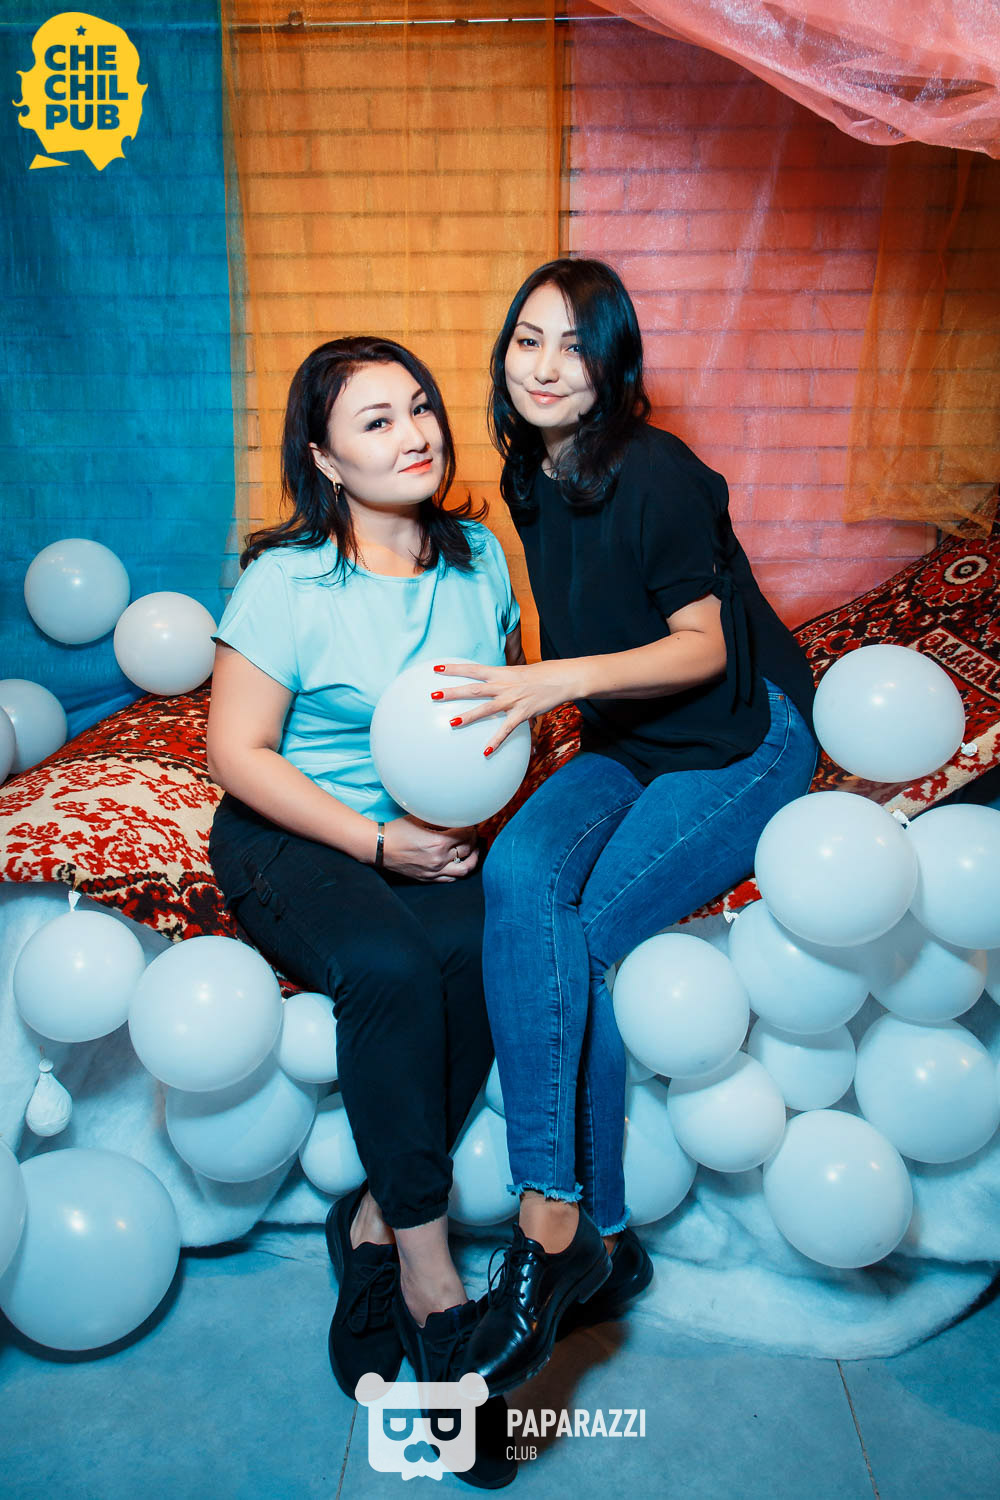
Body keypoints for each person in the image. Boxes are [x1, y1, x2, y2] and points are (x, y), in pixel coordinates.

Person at [429, 259, 818, 1396]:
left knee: (590, 934)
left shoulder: (656, 471)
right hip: (628, 734)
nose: (547, 367)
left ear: (613, 367)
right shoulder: (527, 471)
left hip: (740, 734)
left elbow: (702, 647)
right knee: (518, 876)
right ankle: (600, 1241)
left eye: (576, 346)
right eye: (528, 341)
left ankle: (555, 1227)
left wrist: (555, 682)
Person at [206, 336, 520, 1486]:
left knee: (490, 947)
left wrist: (459, 828)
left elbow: (502, 712)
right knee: (386, 967)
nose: (414, 433)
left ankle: (373, 1225)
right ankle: (433, 1285)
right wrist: (379, 843)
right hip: (296, 831)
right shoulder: (286, 582)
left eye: (420, 407)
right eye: (376, 420)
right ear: (326, 461)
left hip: (431, 836)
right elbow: (235, 752)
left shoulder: (480, 557)